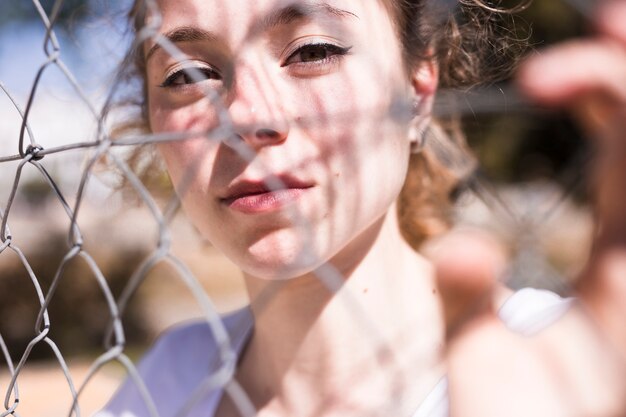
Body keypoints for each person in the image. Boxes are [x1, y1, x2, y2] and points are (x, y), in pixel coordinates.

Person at [98, 0, 626, 416]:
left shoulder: (566, 366)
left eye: (311, 50)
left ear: (417, 91)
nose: (244, 115)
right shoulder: (166, 383)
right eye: (188, 76)